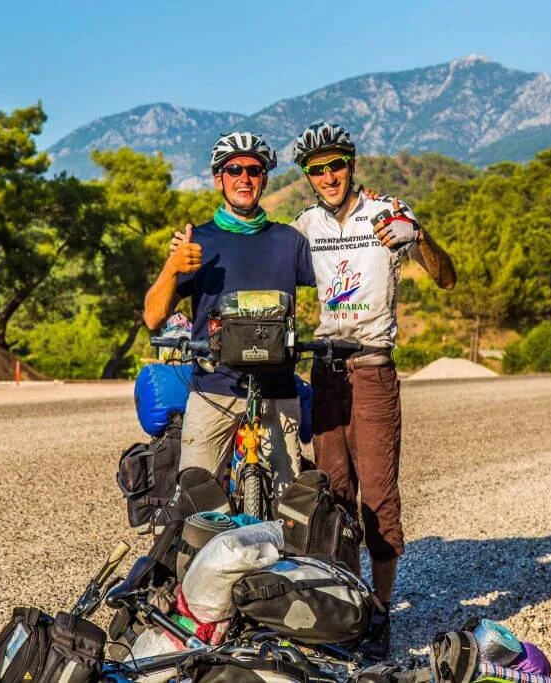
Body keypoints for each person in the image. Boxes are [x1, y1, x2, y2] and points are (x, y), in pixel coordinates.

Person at [291, 121, 457, 659]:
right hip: (326, 372)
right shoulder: (304, 225)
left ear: (351, 164)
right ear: (309, 178)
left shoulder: (388, 212)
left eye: (336, 164)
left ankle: (380, 612)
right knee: (333, 495)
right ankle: (344, 607)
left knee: (378, 496)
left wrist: (422, 238)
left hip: (372, 368)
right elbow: (270, 276)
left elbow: (447, 278)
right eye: (317, 169)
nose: (328, 175)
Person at [142, 131, 315, 490]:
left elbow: (339, 278)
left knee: (290, 509)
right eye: (234, 169)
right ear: (218, 179)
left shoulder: (290, 242)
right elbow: (152, 317)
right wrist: (172, 267)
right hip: (213, 389)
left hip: (278, 390)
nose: (244, 178)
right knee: (194, 500)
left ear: (265, 178)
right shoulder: (197, 242)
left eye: (254, 170)